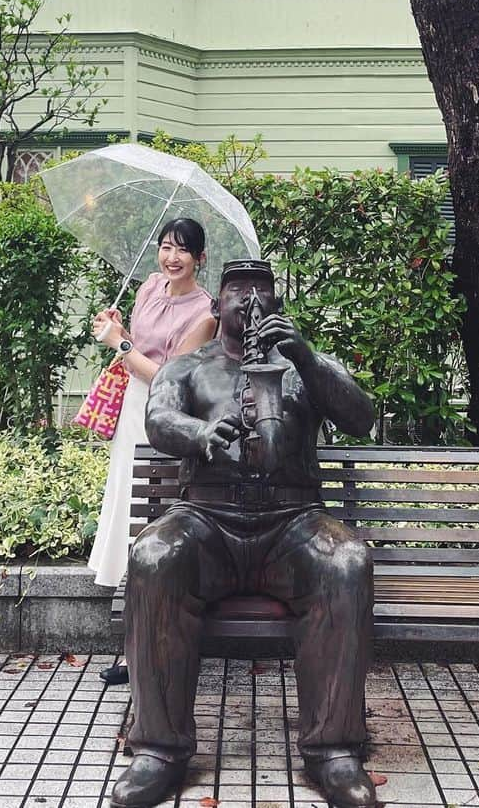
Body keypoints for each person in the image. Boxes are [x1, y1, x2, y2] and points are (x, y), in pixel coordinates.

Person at [112, 259, 378, 808]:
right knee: (155, 555)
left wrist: (304, 355)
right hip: (207, 521)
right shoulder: (190, 367)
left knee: (346, 561)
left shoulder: (305, 363)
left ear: (276, 302)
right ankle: (159, 748)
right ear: (218, 304)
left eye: (262, 290)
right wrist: (202, 432)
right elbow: (158, 419)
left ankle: (333, 750)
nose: (250, 300)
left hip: (293, 523)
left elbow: (361, 417)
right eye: (238, 290)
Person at [87, 216, 216, 683]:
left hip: (166, 421)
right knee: (126, 515)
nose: (171, 257)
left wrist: (118, 343)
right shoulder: (146, 289)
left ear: (200, 259)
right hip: (130, 414)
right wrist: (120, 328)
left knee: (154, 525)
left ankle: (154, 644)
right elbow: (137, 349)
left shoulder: (206, 314)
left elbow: (168, 378)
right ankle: (131, 646)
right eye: (166, 247)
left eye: (183, 250)